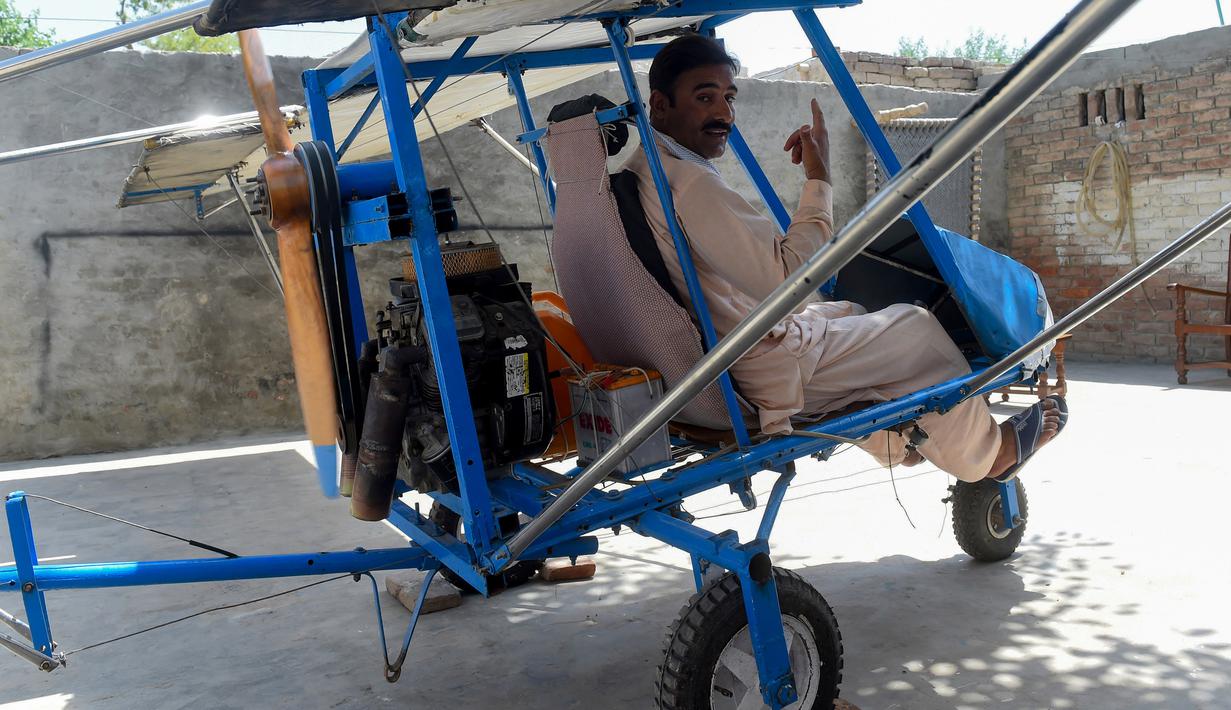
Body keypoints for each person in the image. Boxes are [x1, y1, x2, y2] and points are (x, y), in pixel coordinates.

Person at [622, 34, 1064, 483]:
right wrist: (819, 177)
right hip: (756, 373)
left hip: (719, 358)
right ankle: (989, 455)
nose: (724, 114)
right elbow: (789, 286)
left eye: (729, 98)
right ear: (660, 105)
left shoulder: (643, 170)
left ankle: (896, 443)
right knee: (916, 329)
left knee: (852, 311)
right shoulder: (692, 186)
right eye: (704, 98)